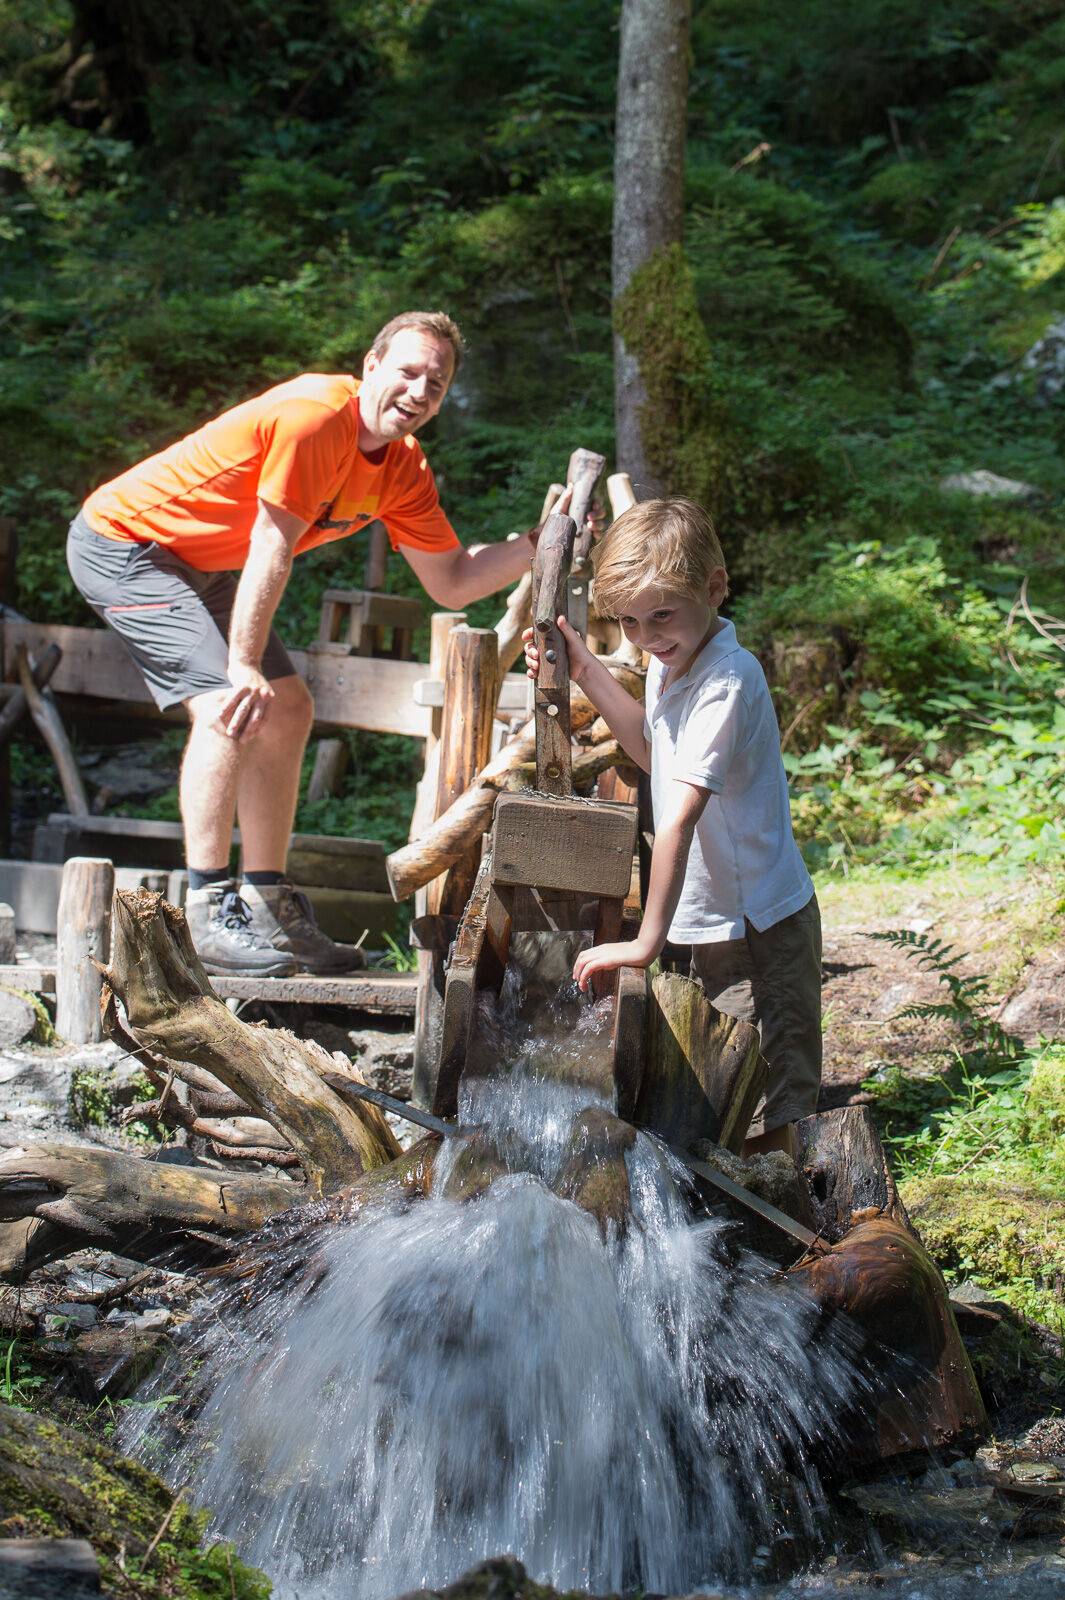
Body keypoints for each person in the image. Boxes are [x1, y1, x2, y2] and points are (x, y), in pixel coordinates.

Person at [67, 310, 556, 978]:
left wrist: (536, 544)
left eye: (435, 384)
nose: (418, 391)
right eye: (407, 371)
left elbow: (452, 579)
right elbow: (272, 546)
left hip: (205, 566)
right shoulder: (314, 419)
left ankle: (268, 903)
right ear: (371, 366)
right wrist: (241, 665)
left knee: (290, 708)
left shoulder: (403, 468)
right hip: (125, 544)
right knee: (228, 705)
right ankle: (207, 909)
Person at [523, 498, 821, 1159]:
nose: (646, 636)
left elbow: (681, 815)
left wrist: (643, 942)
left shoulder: (725, 682)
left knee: (761, 1101)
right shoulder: (673, 661)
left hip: (755, 927)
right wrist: (584, 667)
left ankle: (784, 1209)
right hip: (707, 916)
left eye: (661, 615)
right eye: (629, 621)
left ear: (714, 587)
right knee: (714, 1091)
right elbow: (654, 751)